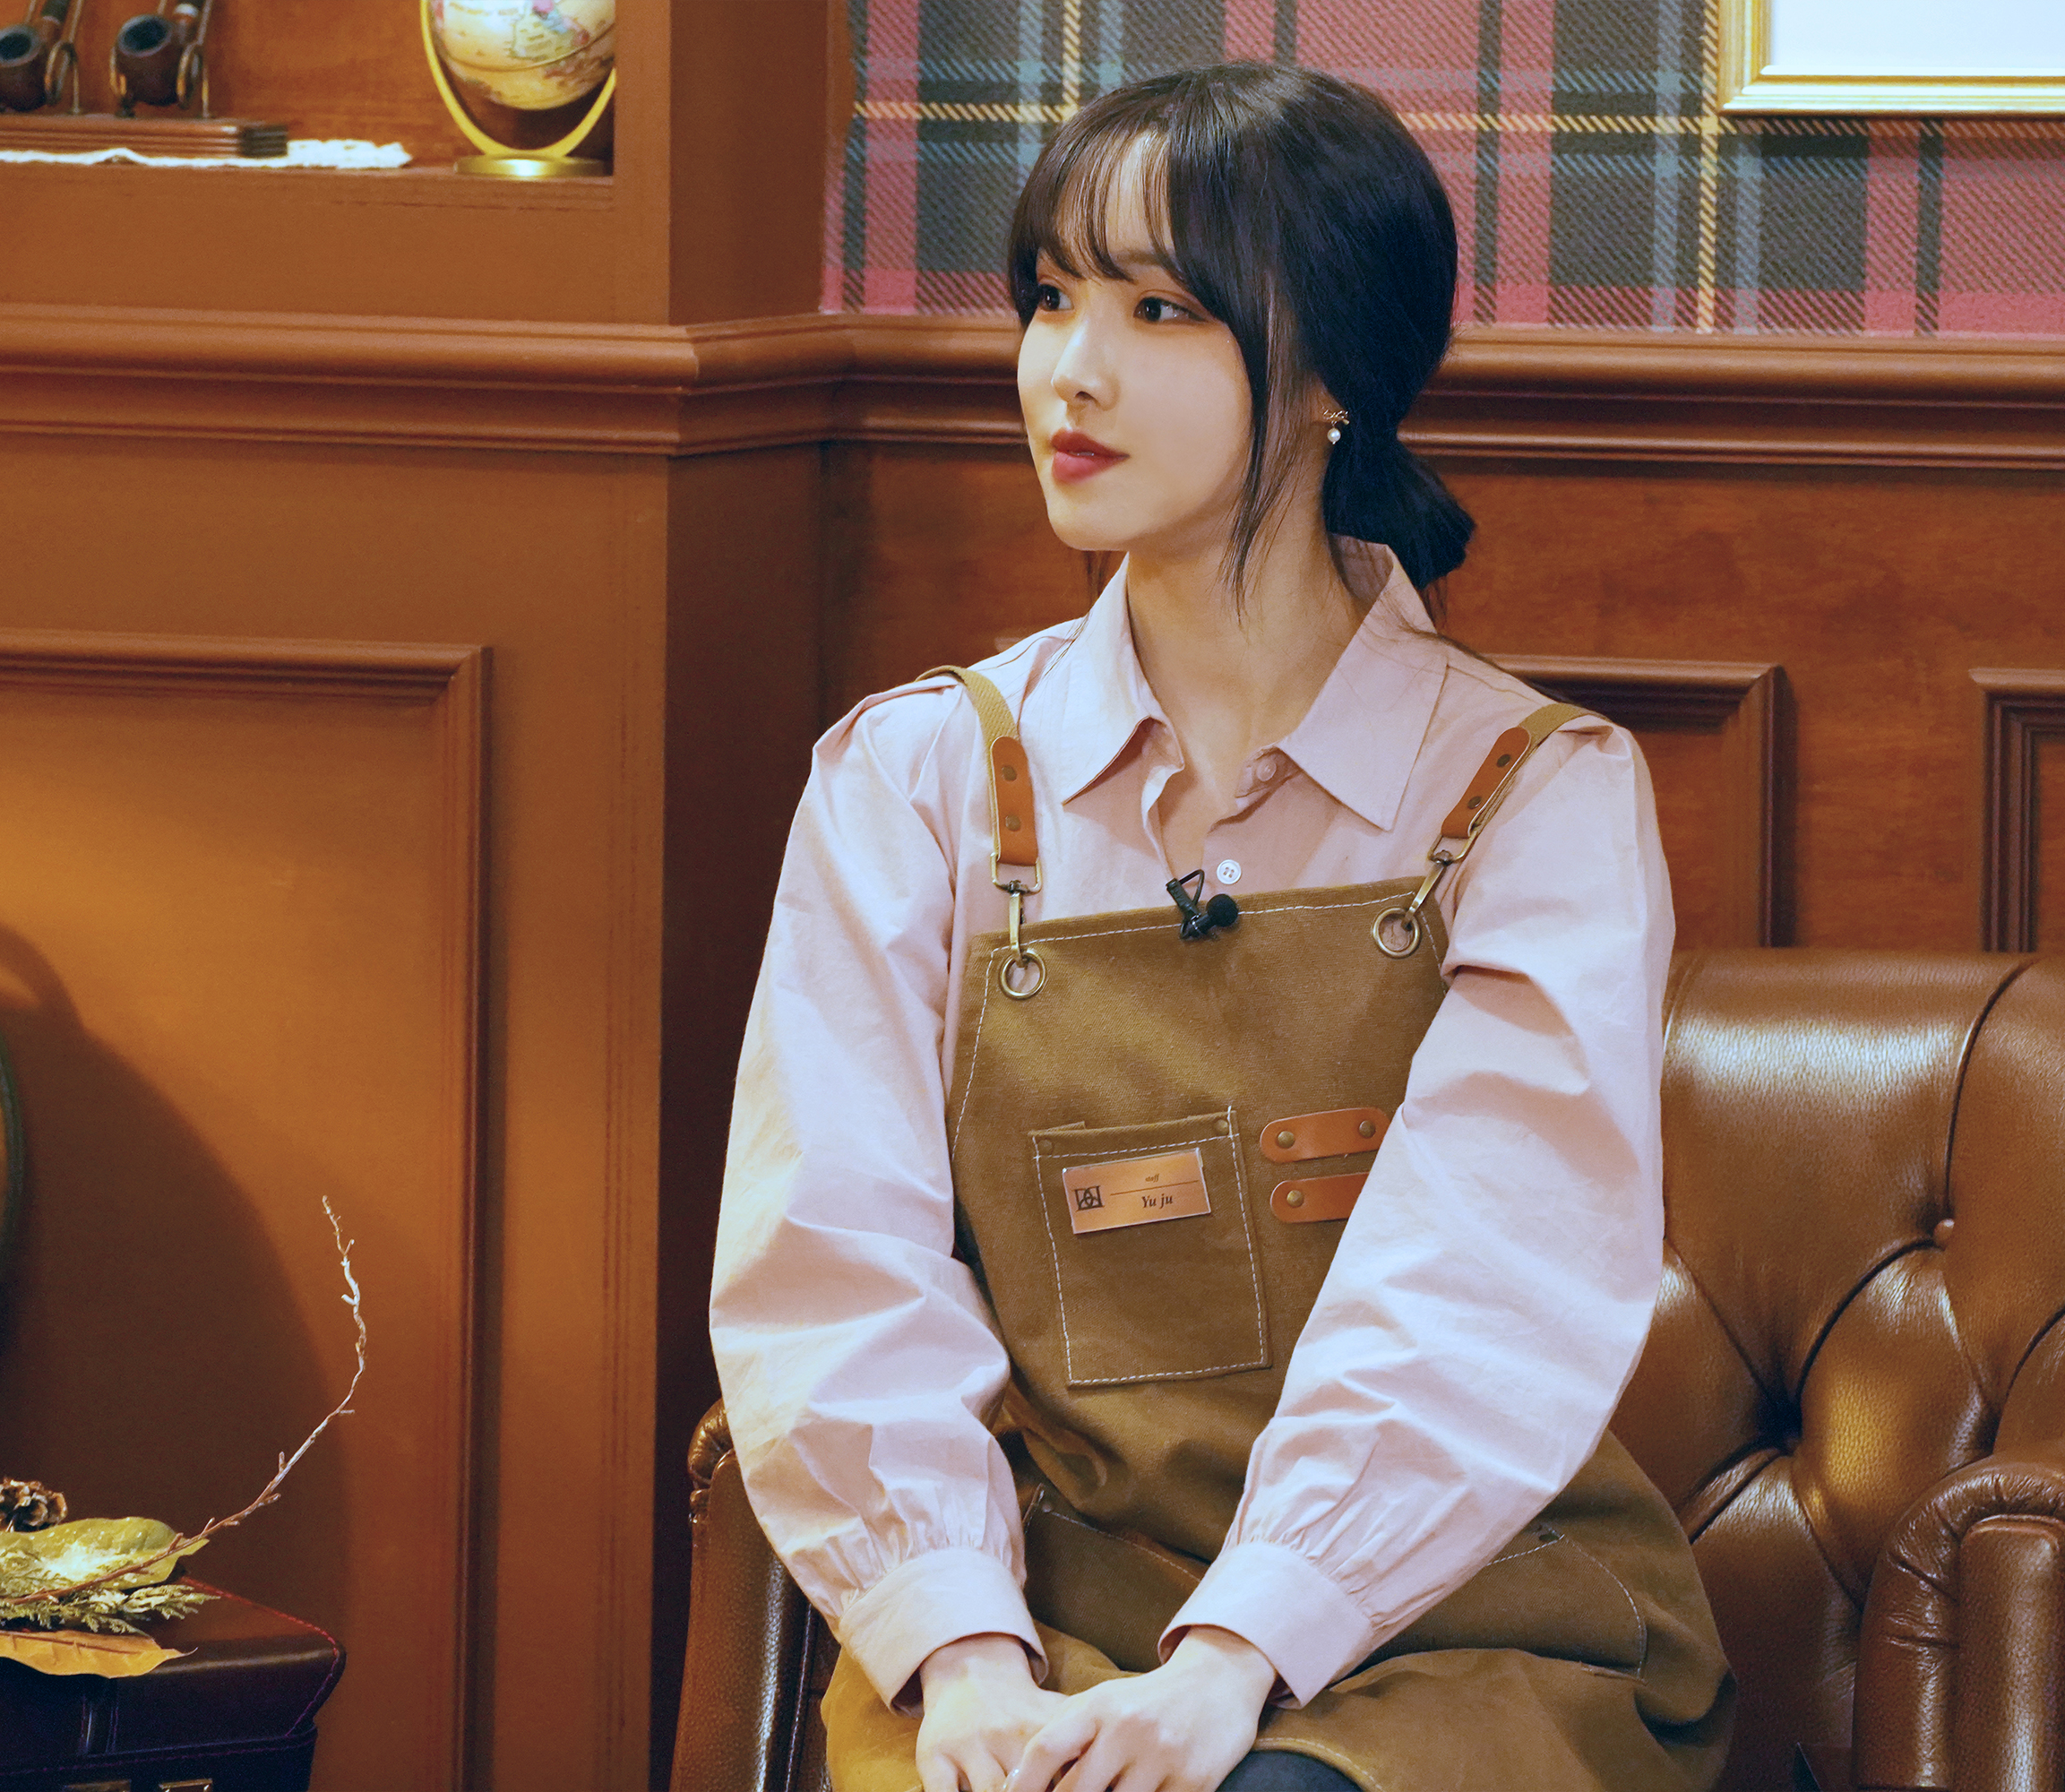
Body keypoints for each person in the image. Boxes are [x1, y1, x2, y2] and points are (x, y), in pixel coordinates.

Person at [712, 62, 1734, 1792]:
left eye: (1160, 310)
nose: (1071, 368)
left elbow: (1481, 1291)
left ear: (1332, 374)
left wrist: (1237, 1658)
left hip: (1457, 1624)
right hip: (1037, 1616)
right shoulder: (917, 778)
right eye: (1051, 298)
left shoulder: (1532, 794)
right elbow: (833, 1266)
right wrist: (962, 1658)